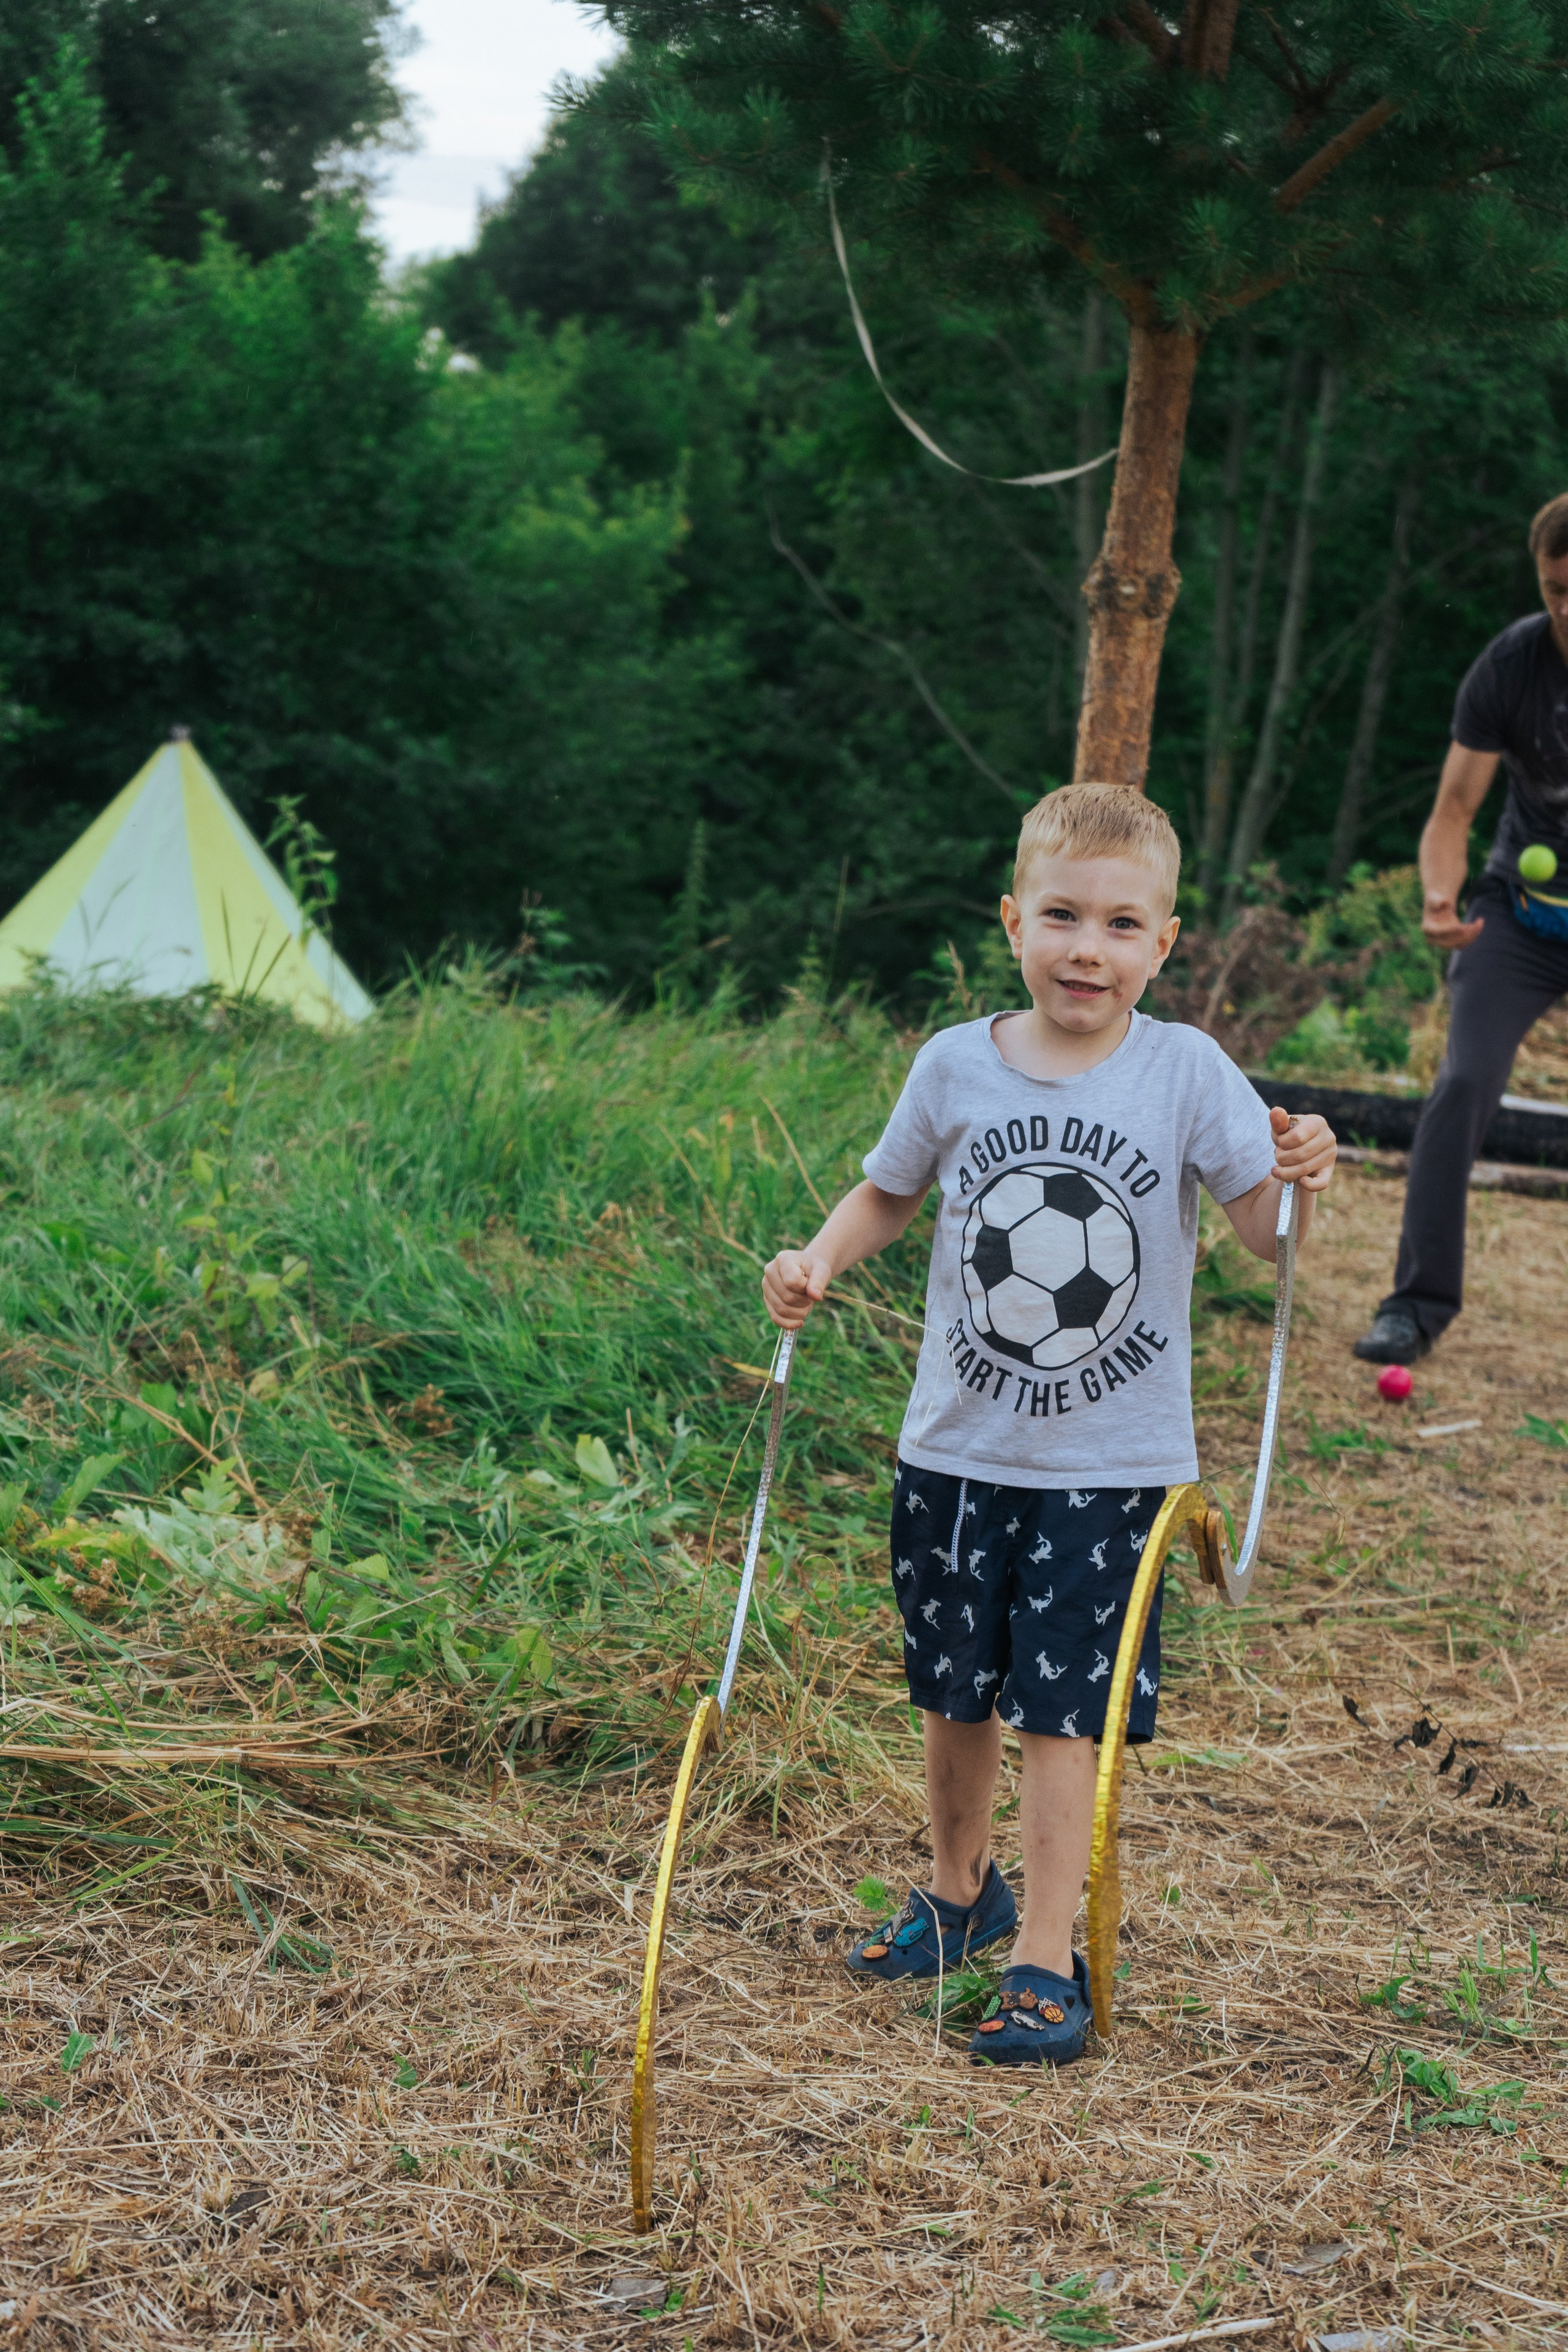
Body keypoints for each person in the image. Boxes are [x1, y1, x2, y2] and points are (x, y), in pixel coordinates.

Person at [761, 784, 1337, 2067]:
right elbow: (886, 1192)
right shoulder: (953, 1064)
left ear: (1163, 944)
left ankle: (1041, 1957)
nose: (1089, 950)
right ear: (1013, 921)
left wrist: (1304, 1173)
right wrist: (815, 1260)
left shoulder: (1185, 1071)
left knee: (1062, 1711)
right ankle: (959, 1896)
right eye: (1063, 917)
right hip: (956, 1449)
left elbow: (1264, 1231)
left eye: (1122, 926)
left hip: (1110, 1467)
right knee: (952, 1687)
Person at [1356, 492, 1568, 1366]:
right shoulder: (1511, 667)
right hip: (1516, 917)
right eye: (1557, 591)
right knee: (1465, 1082)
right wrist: (1439, 898)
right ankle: (1415, 1304)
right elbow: (1453, 810)